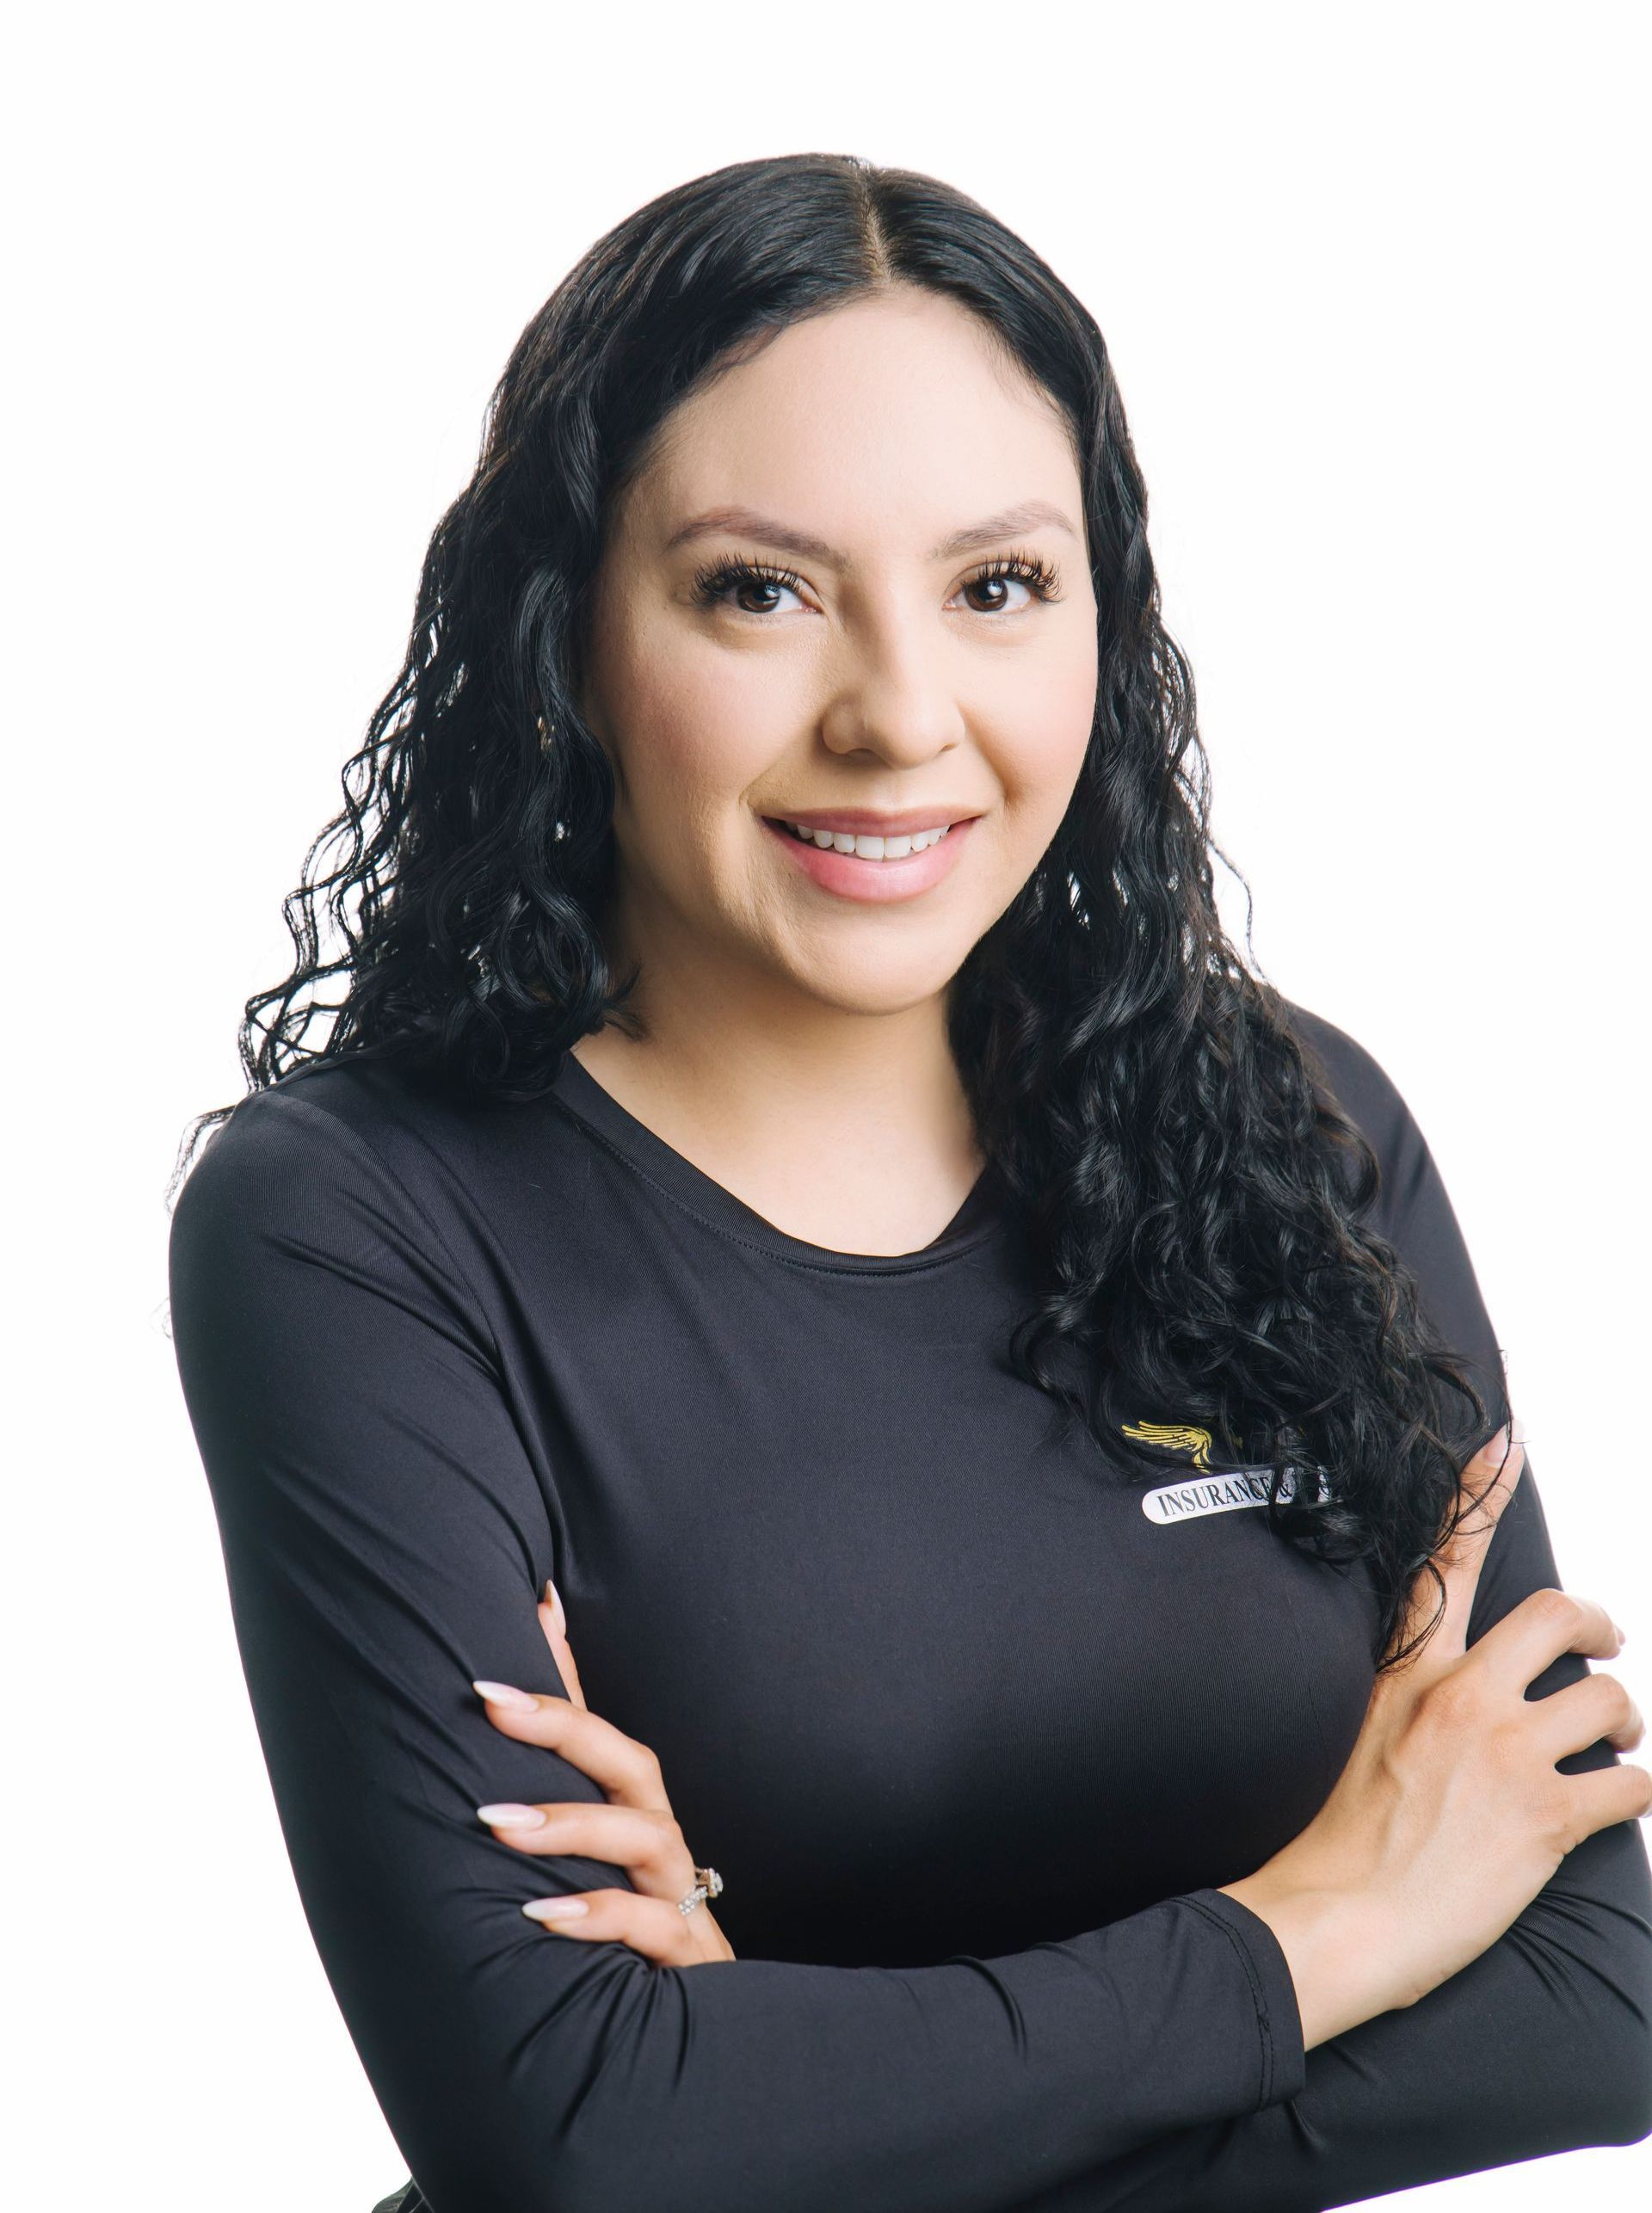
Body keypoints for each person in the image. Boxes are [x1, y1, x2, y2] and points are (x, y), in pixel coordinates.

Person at [165, 152, 1652, 2212]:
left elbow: (1596, 1985)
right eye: (759, 589)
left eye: (997, 586)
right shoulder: (364, 1223)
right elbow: (574, 2125)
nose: (900, 716)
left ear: (1099, 628)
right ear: (568, 632)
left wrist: (783, 2073)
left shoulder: (1295, 1129)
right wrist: (1332, 1923)